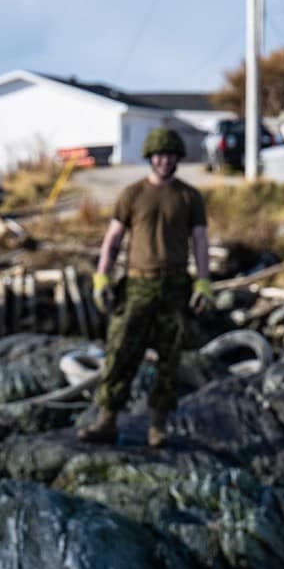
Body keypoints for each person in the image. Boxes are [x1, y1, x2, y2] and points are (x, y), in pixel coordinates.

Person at [79, 127, 212, 449]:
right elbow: (113, 239)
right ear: (150, 158)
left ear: (178, 159)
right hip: (137, 285)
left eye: (170, 155)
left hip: (175, 287)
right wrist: (102, 278)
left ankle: (158, 426)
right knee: (121, 351)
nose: (164, 161)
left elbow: (200, 241)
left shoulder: (189, 197)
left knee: (170, 359)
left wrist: (204, 282)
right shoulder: (132, 195)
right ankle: (106, 421)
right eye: (159, 155)